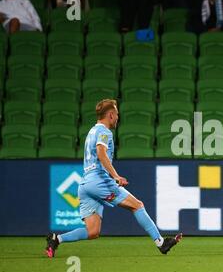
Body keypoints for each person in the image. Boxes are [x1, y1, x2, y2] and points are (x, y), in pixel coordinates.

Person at [45, 99, 182, 258]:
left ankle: (56, 239)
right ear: (110, 115)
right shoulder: (104, 132)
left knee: (93, 231)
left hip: (85, 184)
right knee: (137, 205)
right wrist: (115, 176)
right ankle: (161, 243)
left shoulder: (92, 131)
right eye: (116, 114)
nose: (117, 117)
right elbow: (101, 152)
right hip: (99, 180)